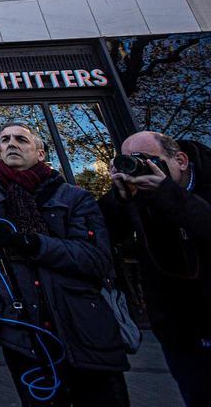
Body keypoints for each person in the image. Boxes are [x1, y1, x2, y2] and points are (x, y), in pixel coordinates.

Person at [0, 123, 129, 407]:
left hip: (83, 328)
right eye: (4, 140)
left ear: (40, 153)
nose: (11, 143)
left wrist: (31, 243)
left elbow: (97, 259)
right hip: (23, 335)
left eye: (21, 139)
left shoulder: (74, 197)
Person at [98, 131, 211, 406]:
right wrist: (119, 200)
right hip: (179, 330)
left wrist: (166, 193)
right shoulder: (136, 196)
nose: (139, 168)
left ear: (181, 160)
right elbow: (101, 237)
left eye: (146, 160)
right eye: (128, 161)